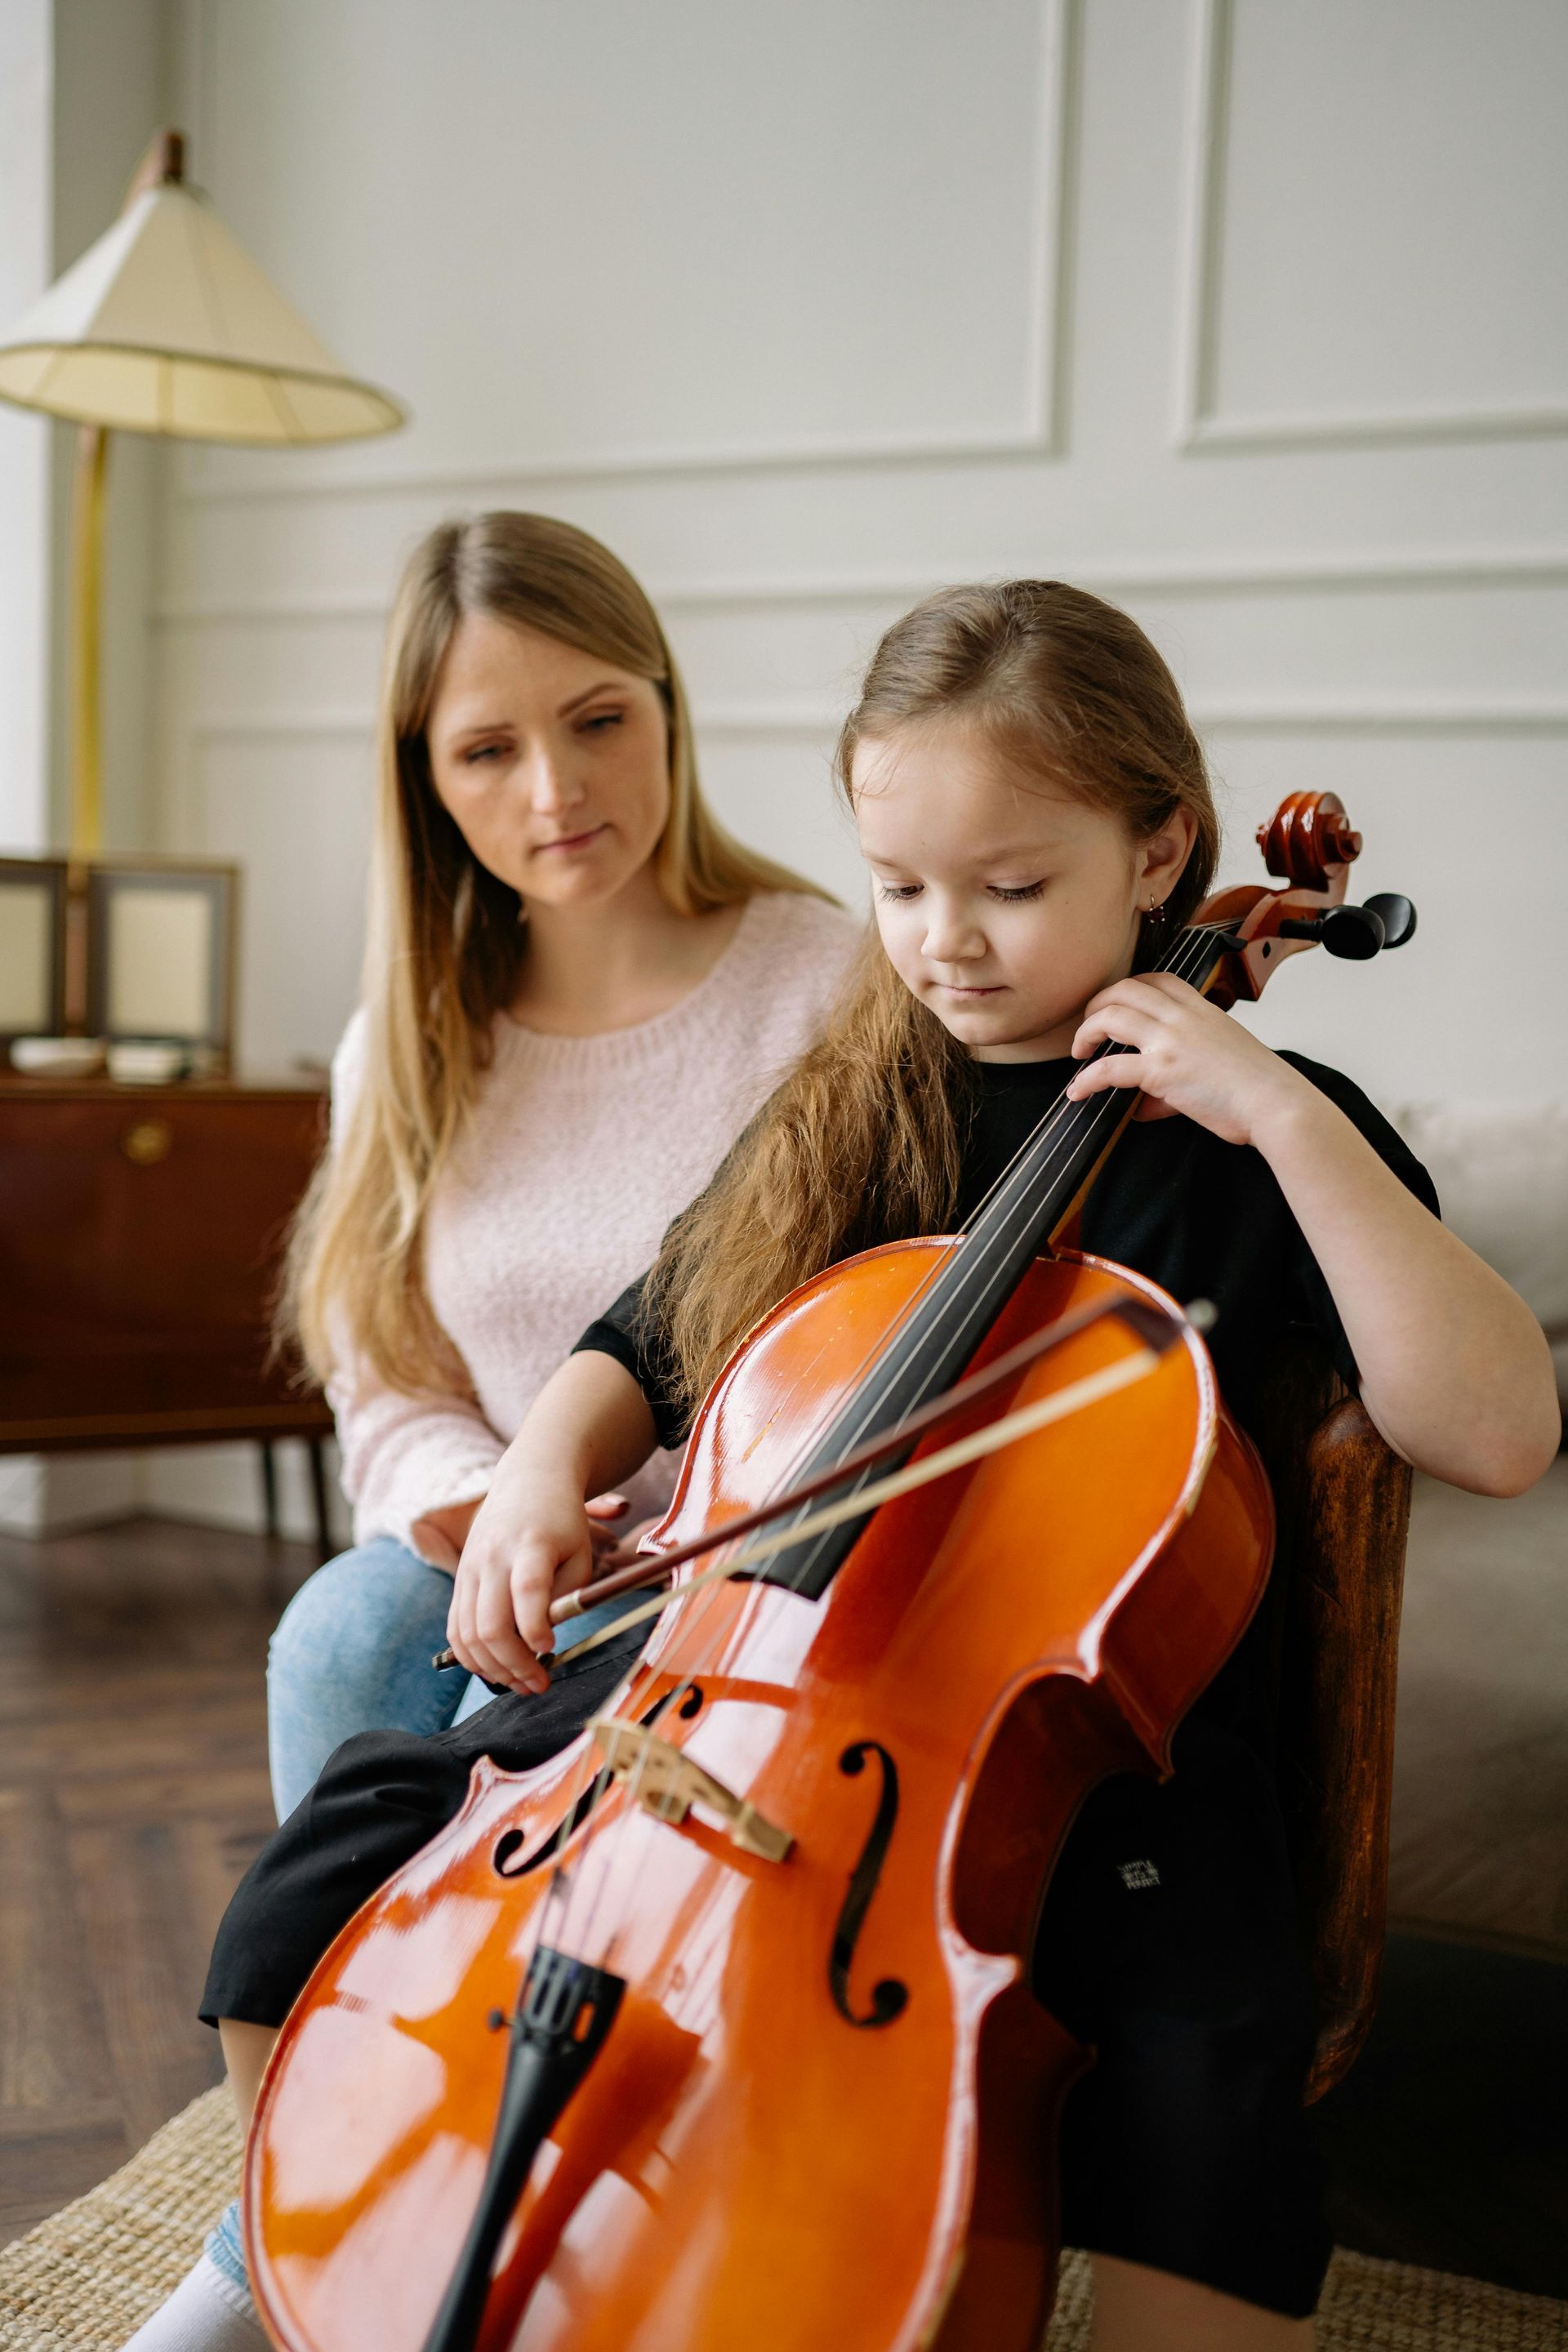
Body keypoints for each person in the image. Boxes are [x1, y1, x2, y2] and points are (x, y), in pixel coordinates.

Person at [130, 583, 1559, 2352]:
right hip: (747, 1684)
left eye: (1011, 888)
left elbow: (1495, 1429)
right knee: (341, 1846)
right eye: (898, 888)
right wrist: (532, 1478)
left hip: (1093, 1773)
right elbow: (643, 1338)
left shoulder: (1270, 1139)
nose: (946, 943)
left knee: (1206, 2087)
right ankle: (334, 2260)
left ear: (1162, 846)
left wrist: (1276, 1104)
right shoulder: (863, 1097)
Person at [264, 510, 858, 1823]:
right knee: (335, 1635)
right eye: (487, 750)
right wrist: (495, 1511)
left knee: (503, 1709)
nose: (555, 790)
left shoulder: (828, 984)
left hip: (726, 1575)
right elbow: (388, 1389)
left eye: (597, 720)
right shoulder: (411, 1044)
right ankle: (329, 2026)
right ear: (424, 778)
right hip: (484, 1547)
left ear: (665, 708)